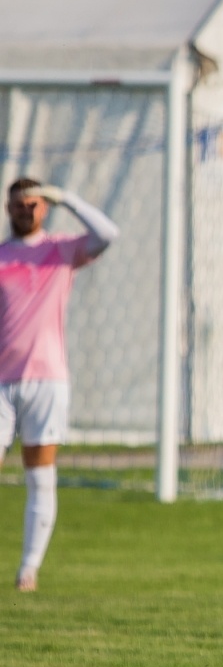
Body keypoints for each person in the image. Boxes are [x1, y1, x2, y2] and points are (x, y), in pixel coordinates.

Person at [0, 178, 119, 591]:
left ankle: (28, 569)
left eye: (33, 204)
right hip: (1, 382)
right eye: (18, 204)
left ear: (44, 207)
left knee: (40, 475)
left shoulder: (62, 251)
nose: (25, 211)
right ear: (7, 208)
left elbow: (107, 234)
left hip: (47, 379)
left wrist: (66, 197)